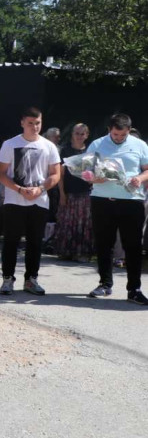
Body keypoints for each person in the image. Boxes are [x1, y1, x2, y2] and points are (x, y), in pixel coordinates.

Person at [0, 106, 62, 296]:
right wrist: (19, 189)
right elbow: (1, 173)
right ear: (22, 123)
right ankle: (7, 279)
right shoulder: (10, 144)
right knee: (11, 241)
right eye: (31, 123)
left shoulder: (49, 146)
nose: (34, 127)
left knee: (35, 242)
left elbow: (55, 174)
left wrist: (40, 189)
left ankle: (31, 279)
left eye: (38, 123)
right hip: (14, 200)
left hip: (39, 201)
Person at [85, 113, 148, 305]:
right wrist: (95, 178)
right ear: (109, 130)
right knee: (104, 244)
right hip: (102, 200)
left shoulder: (140, 145)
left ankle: (134, 289)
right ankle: (105, 284)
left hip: (131, 201)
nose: (119, 138)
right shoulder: (97, 144)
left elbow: (147, 169)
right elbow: (86, 171)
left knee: (133, 246)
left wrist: (140, 178)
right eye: (115, 134)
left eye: (123, 135)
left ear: (129, 130)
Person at [52, 122, 94, 262]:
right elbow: (60, 175)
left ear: (87, 135)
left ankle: (81, 253)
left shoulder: (89, 151)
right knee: (67, 223)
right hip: (68, 193)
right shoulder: (64, 150)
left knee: (83, 224)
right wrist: (62, 194)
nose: (79, 136)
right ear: (72, 134)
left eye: (82, 134)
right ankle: (65, 251)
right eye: (77, 133)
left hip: (85, 193)